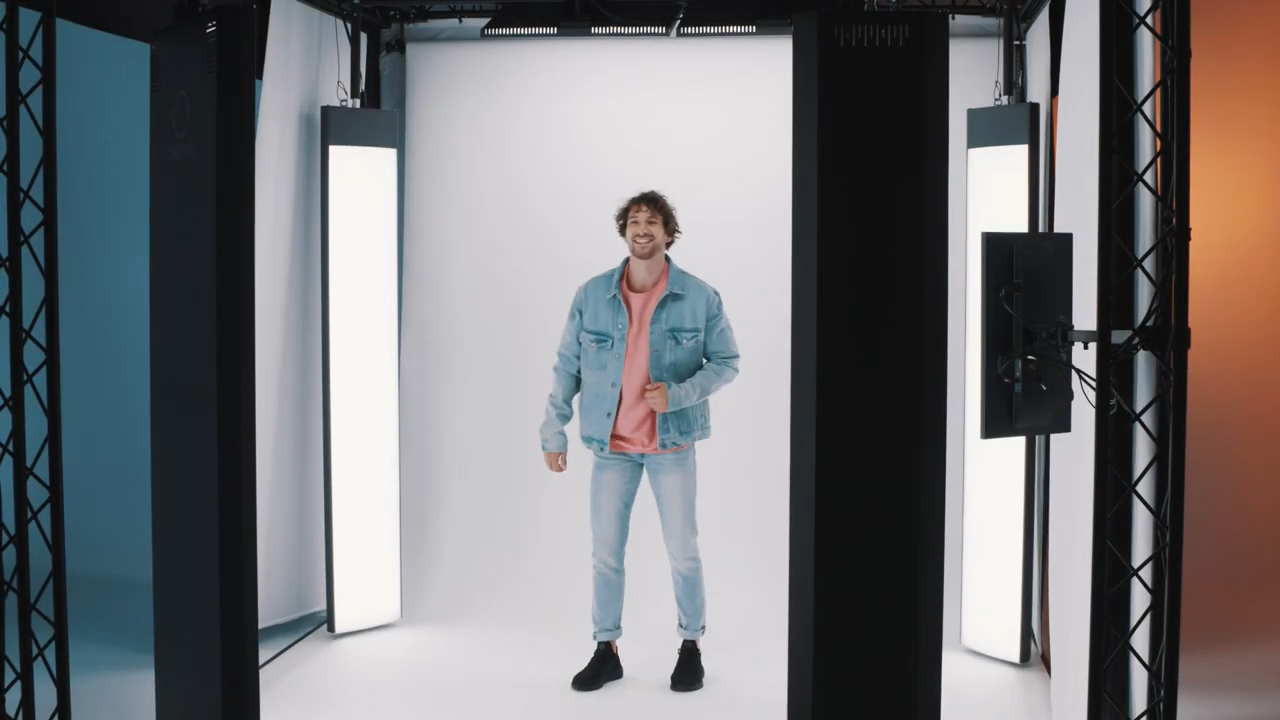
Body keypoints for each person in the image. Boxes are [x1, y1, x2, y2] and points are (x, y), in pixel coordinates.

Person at [539, 190, 741, 694]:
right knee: (605, 553)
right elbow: (567, 366)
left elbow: (726, 361)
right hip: (612, 449)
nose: (642, 228)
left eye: (653, 221)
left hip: (671, 446)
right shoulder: (591, 294)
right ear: (624, 232)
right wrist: (553, 428)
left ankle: (690, 647)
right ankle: (606, 650)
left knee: (683, 551)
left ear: (668, 234)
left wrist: (678, 394)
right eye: (634, 221)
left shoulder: (699, 295)